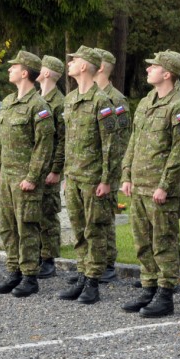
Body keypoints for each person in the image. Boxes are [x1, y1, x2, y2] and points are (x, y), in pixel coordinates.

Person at [121, 51, 180, 317]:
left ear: (167, 73)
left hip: (161, 188)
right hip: (140, 184)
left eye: (153, 66)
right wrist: (126, 174)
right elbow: (134, 140)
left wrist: (165, 184)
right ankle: (149, 287)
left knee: (163, 242)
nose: (148, 69)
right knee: (142, 242)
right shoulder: (146, 101)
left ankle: (165, 294)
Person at [58, 46, 118, 305]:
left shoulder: (102, 101)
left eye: (74, 61)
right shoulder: (70, 99)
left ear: (84, 67)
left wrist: (106, 179)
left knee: (96, 230)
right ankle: (83, 275)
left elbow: (110, 144)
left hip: (94, 178)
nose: (69, 64)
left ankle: (93, 282)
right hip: (73, 176)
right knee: (79, 230)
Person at [0, 50, 55, 297]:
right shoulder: (7, 102)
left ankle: (29, 275)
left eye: (13, 67)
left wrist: (32, 177)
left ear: (25, 72)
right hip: (7, 177)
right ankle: (13, 270)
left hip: (25, 179)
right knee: (8, 227)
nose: (9, 70)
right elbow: (1, 141)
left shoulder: (39, 107)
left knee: (26, 226)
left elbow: (43, 146)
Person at [92, 48, 131, 283]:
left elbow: (121, 140)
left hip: (107, 168)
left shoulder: (116, 99)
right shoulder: (90, 96)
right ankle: (93, 264)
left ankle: (107, 263)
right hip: (90, 168)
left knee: (104, 218)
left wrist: (115, 173)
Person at [36, 55, 66, 278]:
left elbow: (63, 139)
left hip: (48, 168)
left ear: (47, 73)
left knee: (48, 214)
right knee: (33, 212)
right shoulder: (36, 98)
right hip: (35, 167)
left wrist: (56, 169)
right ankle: (36, 253)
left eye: (41, 68)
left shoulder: (59, 103)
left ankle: (48, 259)